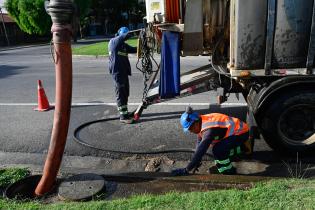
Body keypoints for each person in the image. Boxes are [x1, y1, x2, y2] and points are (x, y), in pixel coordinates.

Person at [171, 106, 253, 176]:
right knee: (218, 150)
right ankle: (243, 147)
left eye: (190, 128)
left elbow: (201, 151)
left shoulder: (208, 131)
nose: (190, 131)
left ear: (195, 123)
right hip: (236, 131)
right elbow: (199, 145)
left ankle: (229, 171)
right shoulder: (201, 121)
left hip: (241, 133)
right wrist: (195, 162)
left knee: (218, 150)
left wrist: (187, 169)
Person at [108, 27, 137, 124]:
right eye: (125, 35)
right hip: (117, 73)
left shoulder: (123, 45)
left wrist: (145, 45)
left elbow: (134, 49)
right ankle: (123, 116)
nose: (126, 37)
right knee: (120, 94)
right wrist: (136, 32)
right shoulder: (114, 42)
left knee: (125, 93)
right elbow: (125, 36)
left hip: (123, 72)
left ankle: (125, 112)